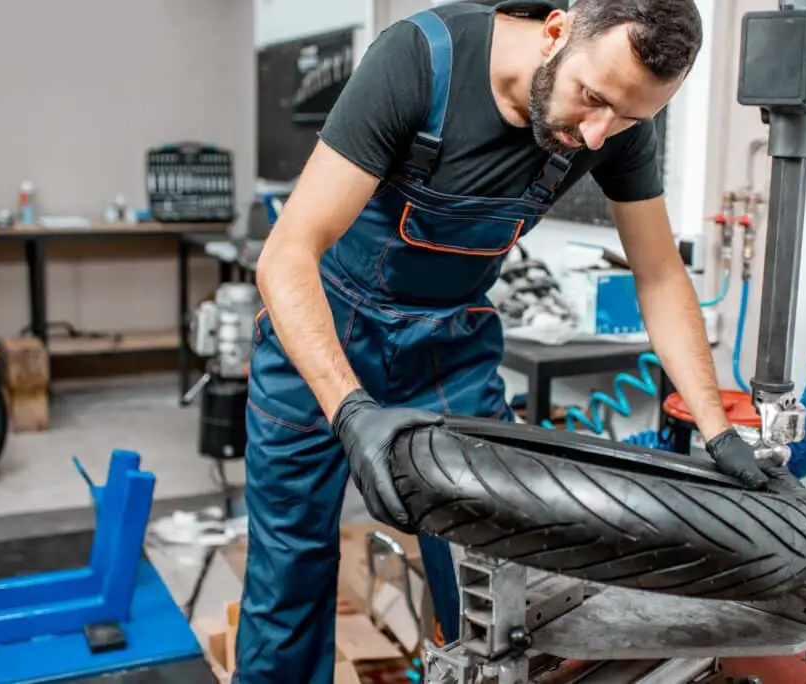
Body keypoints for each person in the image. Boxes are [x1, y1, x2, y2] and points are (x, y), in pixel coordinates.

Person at [236, 1, 775, 681]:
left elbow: (661, 275)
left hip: (450, 355)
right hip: (322, 331)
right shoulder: (418, 63)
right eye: (592, 99)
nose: (599, 133)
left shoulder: (613, 124)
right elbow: (286, 256)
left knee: (494, 586)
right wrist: (349, 408)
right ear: (555, 32)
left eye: (629, 119)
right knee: (290, 583)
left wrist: (717, 429)